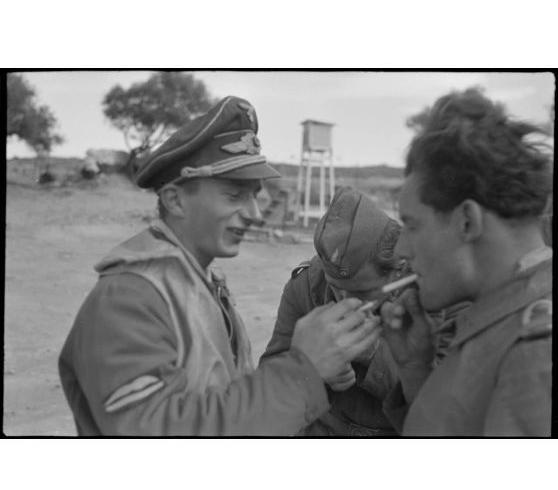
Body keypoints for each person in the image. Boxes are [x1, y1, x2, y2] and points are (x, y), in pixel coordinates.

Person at [58, 96, 381, 436]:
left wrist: (319, 375)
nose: (255, 213)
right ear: (175, 199)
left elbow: (218, 400)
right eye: (234, 195)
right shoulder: (128, 297)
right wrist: (301, 373)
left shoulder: (195, 279)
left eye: (255, 195)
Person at [380, 87, 553, 437]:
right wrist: (416, 371)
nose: (400, 249)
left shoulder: (535, 354)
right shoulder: (505, 320)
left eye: (412, 225)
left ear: (467, 222)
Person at [262, 187, 403, 436]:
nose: (345, 301)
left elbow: (440, 398)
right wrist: (313, 371)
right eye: (336, 288)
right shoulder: (304, 286)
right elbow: (270, 381)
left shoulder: (426, 292)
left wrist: (373, 357)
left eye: (362, 292)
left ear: (395, 271)